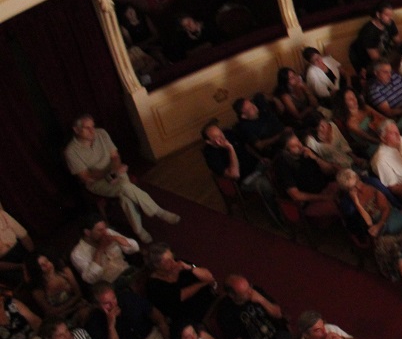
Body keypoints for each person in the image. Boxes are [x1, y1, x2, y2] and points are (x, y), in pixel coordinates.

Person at [65, 115, 179, 243]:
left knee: (125, 194)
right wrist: (110, 174)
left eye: (93, 126)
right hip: (97, 182)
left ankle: (138, 230)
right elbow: (87, 176)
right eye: (87, 128)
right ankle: (159, 212)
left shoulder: (101, 133)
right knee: (124, 187)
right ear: (76, 130)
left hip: (115, 171)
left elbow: (115, 156)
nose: (92, 131)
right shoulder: (71, 151)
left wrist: (115, 170)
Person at [336, 170, 402, 308]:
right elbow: (368, 223)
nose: (358, 187)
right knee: (392, 247)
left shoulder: (372, 185)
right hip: (380, 230)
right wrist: (357, 203)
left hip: (390, 218)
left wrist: (380, 225)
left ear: (358, 178)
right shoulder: (349, 203)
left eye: (357, 183)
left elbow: (386, 208)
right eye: (352, 187)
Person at [84, 281, 169, 339]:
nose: (113, 305)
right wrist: (111, 325)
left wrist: (164, 329)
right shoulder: (94, 323)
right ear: (96, 305)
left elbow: (154, 313)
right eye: (106, 303)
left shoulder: (127, 298)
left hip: (154, 335)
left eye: (114, 298)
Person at [217, 275, 291, 339]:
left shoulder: (255, 291)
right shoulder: (225, 311)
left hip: (278, 334)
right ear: (232, 295)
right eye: (245, 292)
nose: (250, 292)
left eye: (249, 287)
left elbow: (278, 314)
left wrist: (262, 300)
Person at [201, 121, 275, 204]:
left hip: (256, 167)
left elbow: (246, 147)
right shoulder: (211, 154)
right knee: (264, 184)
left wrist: (260, 158)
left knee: (279, 163)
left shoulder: (229, 134)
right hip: (245, 179)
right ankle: (275, 209)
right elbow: (235, 174)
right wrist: (230, 148)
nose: (222, 137)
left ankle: (283, 199)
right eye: (216, 137)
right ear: (209, 142)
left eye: (221, 133)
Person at [145, 243, 217, 325]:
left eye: (172, 257)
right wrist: (202, 284)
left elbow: (209, 277)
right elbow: (181, 296)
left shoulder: (180, 264)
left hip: (211, 301)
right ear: (157, 266)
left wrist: (190, 268)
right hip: (192, 318)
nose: (173, 262)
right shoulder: (154, 285)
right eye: (168, 261)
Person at [70, 217, 140, 286]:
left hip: (128, 271)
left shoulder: (108, 232)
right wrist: (100, 249)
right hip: (111, 284)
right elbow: (91, 278)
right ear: (87, 233)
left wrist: (115, 238)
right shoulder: (77, 254)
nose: (105, 232)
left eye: (105, 228)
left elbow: (135, 248)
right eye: (100, 230)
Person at [26, 253, 86, 323]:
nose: (47, 265)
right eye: (42, 265)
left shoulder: (65, 271)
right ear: (37, 270)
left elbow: (78, 294)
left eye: (46, 261)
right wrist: (73, 308)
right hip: (61, 318)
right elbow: (50, 311)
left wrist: (75, 306)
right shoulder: (38, 290)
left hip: (80, 307)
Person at [350, 4, 397, 74]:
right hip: (371, 64)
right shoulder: (368, 32)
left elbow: (398, 42)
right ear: (378, 14)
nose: (390, 18)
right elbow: (376, 59)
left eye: (391, 15)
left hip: (386, 56)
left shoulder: (390, 23)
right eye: (387, 15)